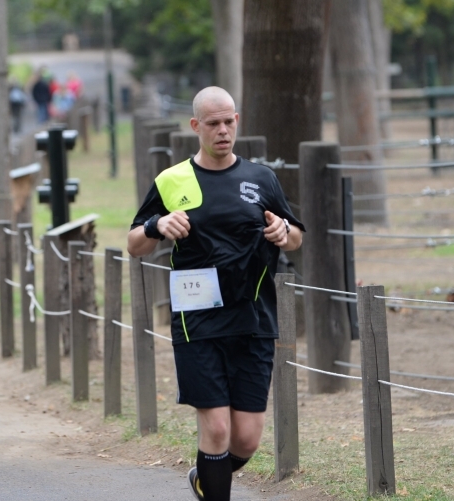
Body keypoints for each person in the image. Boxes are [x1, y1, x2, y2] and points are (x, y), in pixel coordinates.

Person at [127, 86, 303, 501]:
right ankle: (215, 481)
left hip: (254, 319)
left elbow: (295, 236)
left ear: (236, 120)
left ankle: (205, 477)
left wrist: (283, 231)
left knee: (246, 439)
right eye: (213, 124)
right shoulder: (172, 180)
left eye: (229, 121)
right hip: (197, 320)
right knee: (218, 429)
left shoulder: (262, 178)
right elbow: (135, 243)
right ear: (196, 127)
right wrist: (157, 227)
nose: (223, 130)